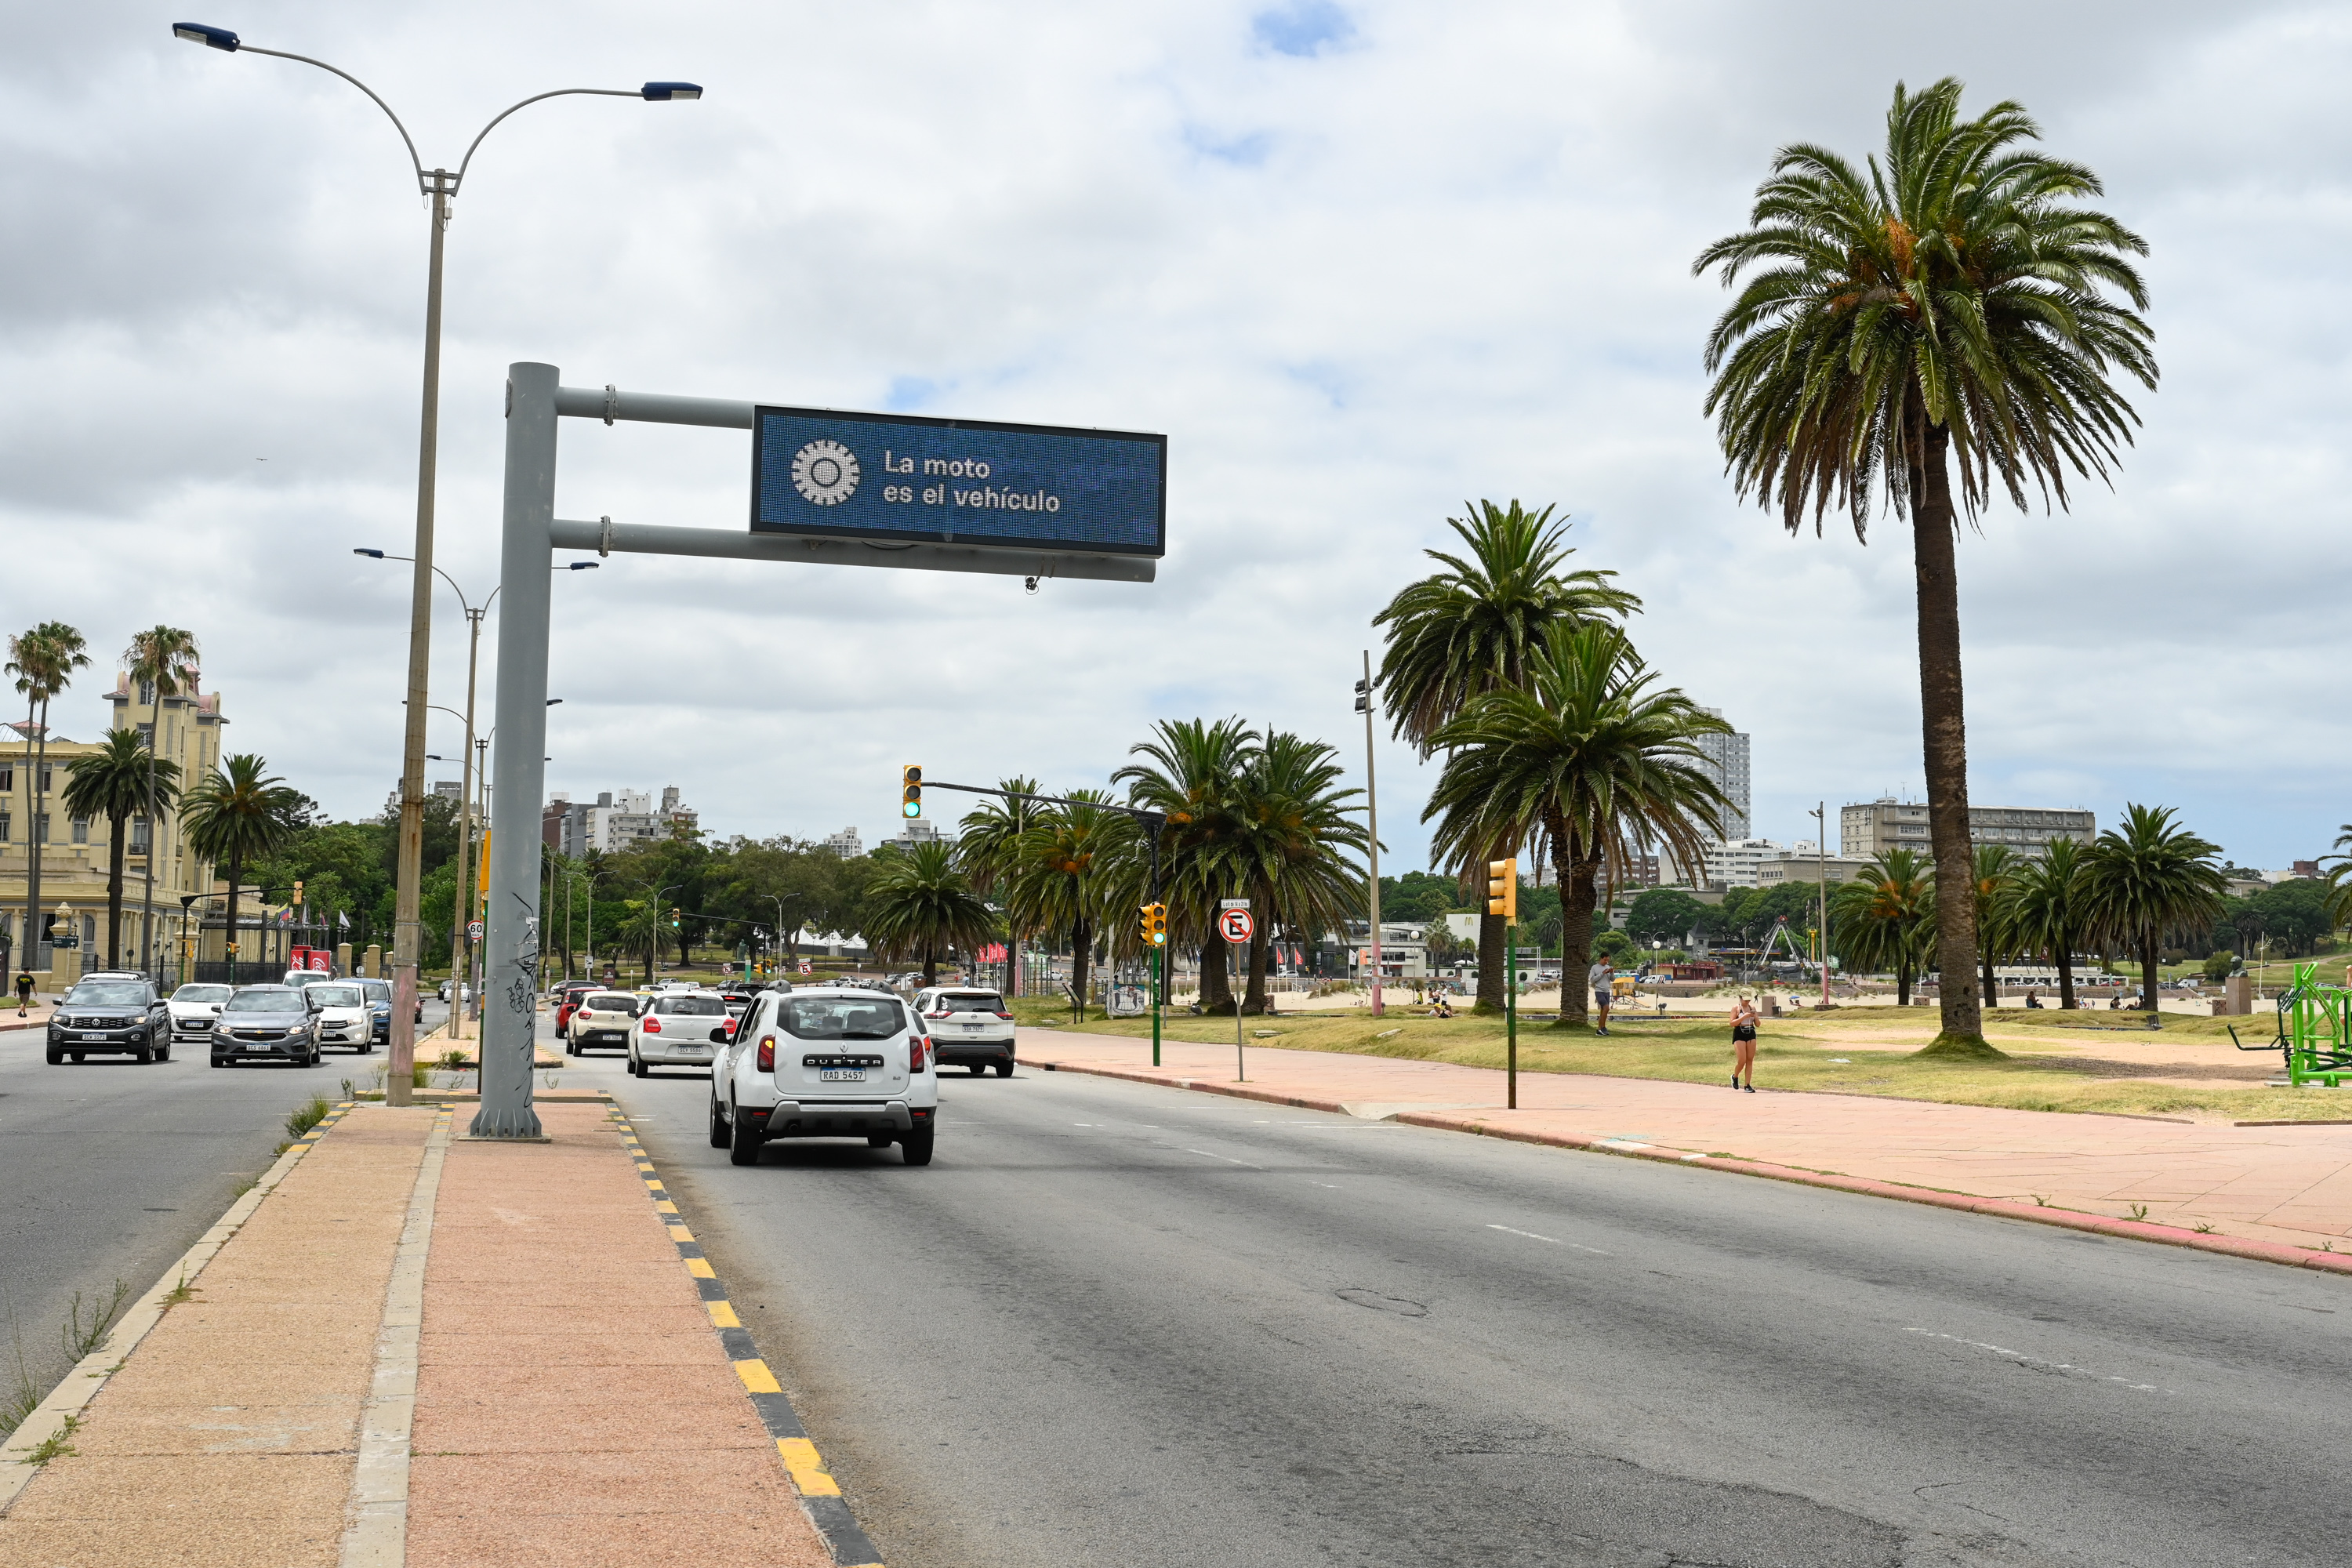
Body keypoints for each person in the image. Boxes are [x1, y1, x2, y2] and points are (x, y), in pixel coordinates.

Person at [1730, 995, 1759, 1091]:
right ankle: (1735, 1076)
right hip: (1740, 1032)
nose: (1747, 1002)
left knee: (1750, 1060)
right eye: (1745, 1000)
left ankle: (1747, 1085)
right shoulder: (1736, 1008)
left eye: (1748, 1000)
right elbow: (1732, 1023)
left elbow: (1758, 1024)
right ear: (1741, 998)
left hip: (1750, 1032)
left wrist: (1755, 1017)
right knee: (1742, 1060)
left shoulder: (1752, 1008)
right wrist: (1744, 1017)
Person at [1589, 956, 1616, 1036]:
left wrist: (1611, 972)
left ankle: (1599, 1029)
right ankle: (1603, 1027)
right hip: (1599, 991)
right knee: (1607, 1008)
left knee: (1603, 1010)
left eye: (1608, 960)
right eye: (1605, 960)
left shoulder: (1608, 967)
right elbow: (1592, 980)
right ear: (1601, 958)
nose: (1606, 962)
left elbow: (1613, 979)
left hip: (1607, 991)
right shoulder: (1594, 968)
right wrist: (1602, 973)